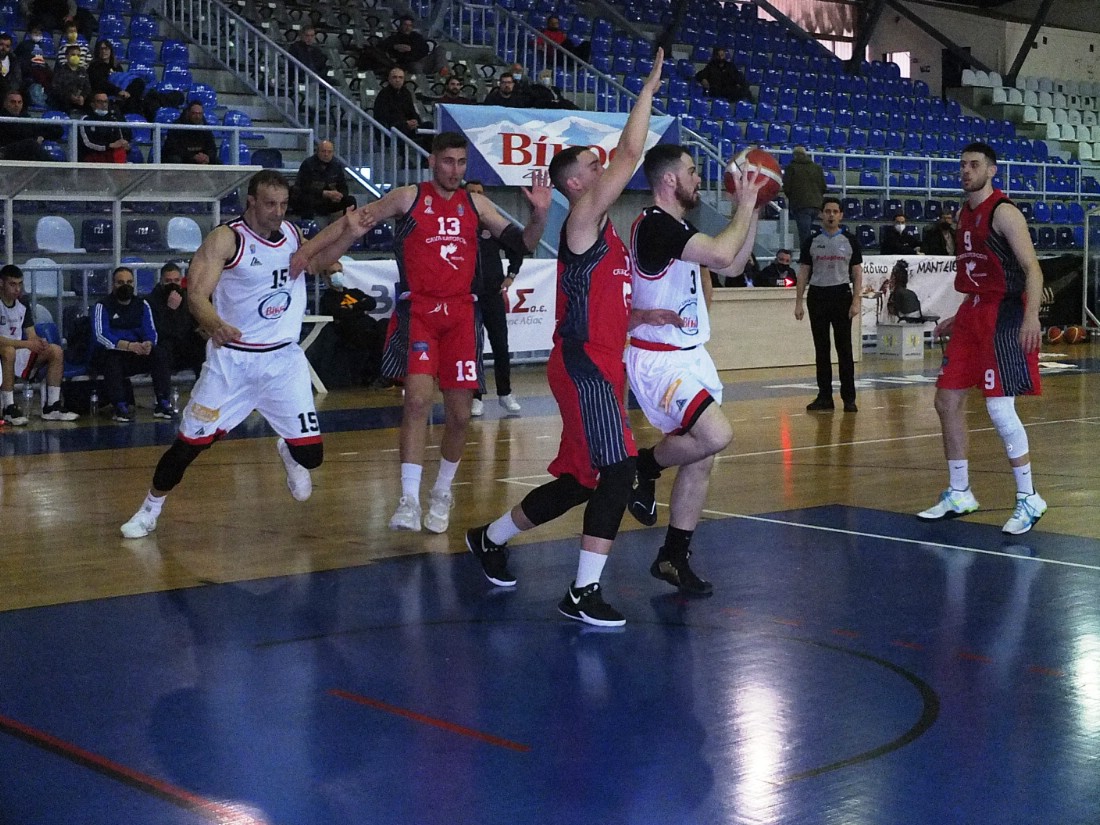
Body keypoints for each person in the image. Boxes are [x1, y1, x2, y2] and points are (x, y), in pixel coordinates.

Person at [463, 51, 666, 627]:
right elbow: (631, 153)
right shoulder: (582, 219)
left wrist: (640, 318)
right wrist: (646, 92)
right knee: (620, 471)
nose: (604, 167)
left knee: (581, 480)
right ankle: (582, 592)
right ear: (575, 183)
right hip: (584, 366)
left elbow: (601, 303)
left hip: (596, 362)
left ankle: (488, 537)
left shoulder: (604, 234)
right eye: (593, 164)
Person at [291, 132, 550, 535]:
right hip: (421, 312)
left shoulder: (475, 203)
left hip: (461, 315)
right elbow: (353, 223)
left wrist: (539, 215)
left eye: (461, 162)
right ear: (432, 161)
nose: (455, 170)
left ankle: (442, 493)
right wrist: (308, 254)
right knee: (416, 401)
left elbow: (524, 243)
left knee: (460, 416)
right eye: (448, 161)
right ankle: (409, 499)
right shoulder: (408, 197)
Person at [120, 171, 325, 539]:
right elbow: (196, 294)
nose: (278, 212)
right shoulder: (227, 238)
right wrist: (215, 323)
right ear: (251, 201)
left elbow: (317, 258)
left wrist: (343, 240)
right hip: (233, 360)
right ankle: (149, 510)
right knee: (189, 446)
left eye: (283, 204)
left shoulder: (293, 234)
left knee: (312, 456)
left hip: (282, 362)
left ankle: (289, 449)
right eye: (270, 204)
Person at [625, 143, 763, 595]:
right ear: (669, 180)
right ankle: (644, 466)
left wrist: (755, 208)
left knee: (701, 458)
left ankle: (673, 556)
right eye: (691, 170)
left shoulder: (680, 228)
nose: (698, 178)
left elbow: (734, 263)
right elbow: (722, 255)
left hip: (691, 355)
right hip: (660, 359)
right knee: (716, 435)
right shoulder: (655, 225)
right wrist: (742, 204)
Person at [916, 142, 1047, 535]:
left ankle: (1029, 497)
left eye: (973, 165)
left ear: (991, 170)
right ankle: (960, 492)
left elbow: (1033, 269)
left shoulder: (1004, 212)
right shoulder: (963, 213)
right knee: (946, 401)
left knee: (999, 408)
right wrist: (960, 315)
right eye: (962, 165)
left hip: (1003, 314)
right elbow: (977, 275)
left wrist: (1031, 317)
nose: (965, 171)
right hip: (972, 313)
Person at [794, 196, 863, 413]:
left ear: (841, 215)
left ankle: (849, 398)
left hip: (841, 295)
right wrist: (798, 302)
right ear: (821, 214)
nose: (831, 215)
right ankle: (824, 396)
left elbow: (857, 273)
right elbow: (803, 272)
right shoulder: (812, 241)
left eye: (835, 211)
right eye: (827, 211)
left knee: (844, 349)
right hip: (818, 296)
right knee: (821, 349)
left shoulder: (850, 240)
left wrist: (856, 300)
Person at [464, 180, 524, 417]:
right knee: (473, 347)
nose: (476, 196)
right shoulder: (458, 224)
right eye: (471, 193)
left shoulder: (494, 224)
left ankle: (505, 393)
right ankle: (476, 395)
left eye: (480, 193)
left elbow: (517, 247)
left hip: (492, 294)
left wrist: (511, 275)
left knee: (500, 345)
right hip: (467, 296)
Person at [92, 266, 174, 422]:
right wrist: (128, 346)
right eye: (120, 282)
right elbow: (101, 336)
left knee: (160, 353)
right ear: (113, 285)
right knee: (112, 360)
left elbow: (151, 331)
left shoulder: (142, 304)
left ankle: (163, 402)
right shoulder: (102, 305)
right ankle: (120, 406)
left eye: (129, 282)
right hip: (111, 353)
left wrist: (148, 344)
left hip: (136, 353)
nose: (125, 286)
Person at [0, 264, 79, 423]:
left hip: (17, 348)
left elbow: (31, 334)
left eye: (20, 284)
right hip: (7, 350)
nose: (17, 289)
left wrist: (39, 342)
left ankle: (52, 407)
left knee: (55, 350)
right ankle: (8, 408)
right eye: (12, 284)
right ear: (1, 283)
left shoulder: (23, 302)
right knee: (8, 351)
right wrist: (27, 344)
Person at [316, 261, 386, 386]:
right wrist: (360, 306)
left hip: (368, 325)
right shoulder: (328, 298)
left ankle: (382, 375)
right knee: (363, 331)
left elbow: (371, 303)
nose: (337, 275)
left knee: (384, 325)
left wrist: (352, 307)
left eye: (339, 271)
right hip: (348, 330)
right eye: (333, 272)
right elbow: (338, 312)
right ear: (326, 276)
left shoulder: (354, 292)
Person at [147, 262, 206, 375]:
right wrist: (170, 310)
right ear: (161, 281)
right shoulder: (152, 301)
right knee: (162, 350)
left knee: (201, 345)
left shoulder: (188, 298)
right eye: (168, 281)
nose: (172, 284)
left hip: (185, 345)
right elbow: (157, 331)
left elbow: (192, 324)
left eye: (176, 280)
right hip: (165, 346)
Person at [290, 139, 356, 222]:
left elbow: (343, 186)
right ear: (317, 152)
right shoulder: (308, 164)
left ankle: (349, 225)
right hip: (312, 198)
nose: (326, 154)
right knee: (306, 200)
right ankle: (308, 226)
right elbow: (303, 187)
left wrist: (340, 195)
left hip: (329, 200)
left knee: (351, 200)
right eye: (323, 151)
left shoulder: (336, 165)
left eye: (329, 152)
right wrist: (324, 193)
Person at [782, 146, 826, 249]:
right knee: (808, 231)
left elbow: (787, 187)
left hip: (800, 204)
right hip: (816, 204)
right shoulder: (817, 168)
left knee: (804, 234)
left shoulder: (791, 168)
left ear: (794, 155)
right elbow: (823, 187)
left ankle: (806, 255)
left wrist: (792, 198)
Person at [373, 67, 429, 148]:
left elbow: (412, 111)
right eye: (394, 77)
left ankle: (428, 154)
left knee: (428, 126)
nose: (397, 80)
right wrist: (405, 123)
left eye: (400, 77)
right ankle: (403, 155)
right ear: (389, 79)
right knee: (401, 128)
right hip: (392, 128)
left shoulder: (406, 93)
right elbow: (383, 117)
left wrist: (415, 121)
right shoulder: (383, 95)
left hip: (408, 126)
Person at [0, 89, 60, 161]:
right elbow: (16, 133)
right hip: (5, 151)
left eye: (19, 102)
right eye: (13, 102)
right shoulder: (2, 118)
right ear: (5, 103)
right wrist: (35, 138)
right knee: (31, 144)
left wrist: (42, 136)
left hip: (23, 152)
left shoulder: (25, 117)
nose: (16, 105)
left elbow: (57, 130)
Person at [77, 91, 130, 162]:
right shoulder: (85, 120)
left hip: (109, 157)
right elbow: (87, 143)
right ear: (92, 104)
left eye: (106, 102)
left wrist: (124, 144)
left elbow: (120, 138)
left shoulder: (113, 119)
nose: (103, 105)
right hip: (91, 157)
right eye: (99, 102)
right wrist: (109, 146)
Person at [48, 44, 90, 114]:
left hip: (80, 103)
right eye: (73, 54)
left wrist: (83, 96)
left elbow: (87, 87)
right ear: (66, 56)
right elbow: (56, 88)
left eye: (78, 55)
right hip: (63, 104)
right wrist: (69, 96)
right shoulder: (60, 71)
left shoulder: (83, 71)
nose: (76, 57)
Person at [0, 33, 24, 101]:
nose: (3, 48)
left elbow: (17, 79)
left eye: (7, 46)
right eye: (1, 45)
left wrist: (11, 92)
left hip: (8, 93)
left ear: (10, 48)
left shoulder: (14, 61)